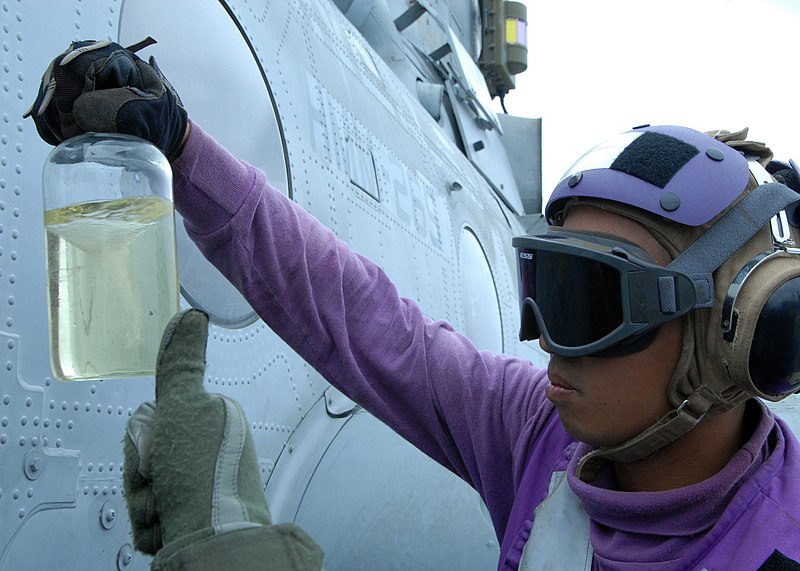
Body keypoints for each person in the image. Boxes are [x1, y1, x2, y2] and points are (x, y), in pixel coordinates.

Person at [26, 41, 800, 570]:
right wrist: (185, 148)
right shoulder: (540, 430)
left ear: (735, 337)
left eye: (589, 299)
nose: (550, 345)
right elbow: (359, 315)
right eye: (543, 288)